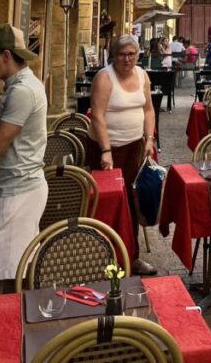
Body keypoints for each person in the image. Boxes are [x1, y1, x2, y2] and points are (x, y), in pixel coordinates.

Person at [0, 25, 48, 297]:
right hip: (19, 188)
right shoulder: (23, 85)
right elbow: (11, 153)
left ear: (6, 55)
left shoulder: (22, 92)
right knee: (15, 273)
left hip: (19, 193)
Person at [87, 34, 157, 274]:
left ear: (138, 55)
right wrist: (106, 151)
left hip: (134, 148)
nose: (127, 59)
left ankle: (131, 257)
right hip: (106, 150)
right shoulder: (105, 78)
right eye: (122, 54)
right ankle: (100, 257)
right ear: (113, 56)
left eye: (131, 54)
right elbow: (97, 115)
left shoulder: (142, 75)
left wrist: (149, 139)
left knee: (130, 202)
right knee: (107, 203)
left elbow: (148, 109)